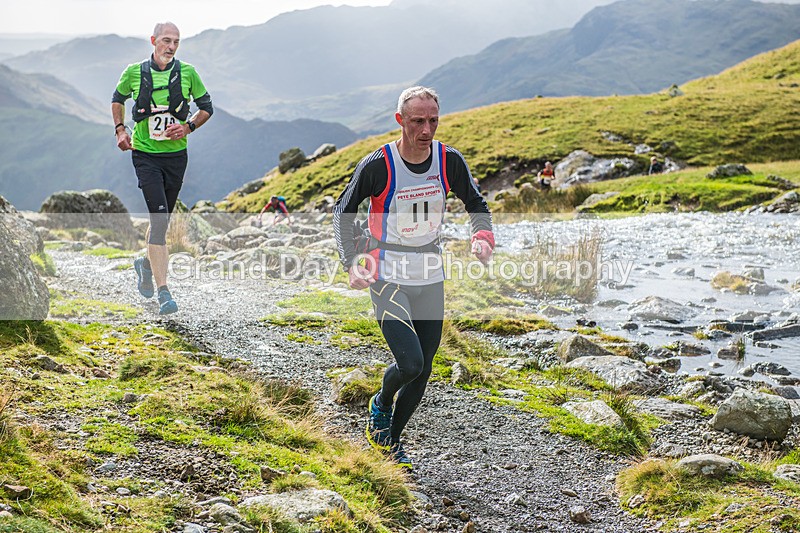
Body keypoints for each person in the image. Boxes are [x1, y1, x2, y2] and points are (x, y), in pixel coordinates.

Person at [333, 86, 494, 469]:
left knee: (424, 369)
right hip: (386, 270)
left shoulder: (448, 159)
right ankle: (380, 403)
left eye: (433, 120)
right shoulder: (378, 164)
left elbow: (476, 203)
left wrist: (483, 235)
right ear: (400, 120)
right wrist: (353, 261)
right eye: (418, 121)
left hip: (429, 272)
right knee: (409, 364)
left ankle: (391, 441)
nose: (426, 129)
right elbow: (343, 210)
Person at [112, 22, 213, 315]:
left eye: (176, 42)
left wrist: (188, 127)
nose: (171, 47)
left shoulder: (188, 73)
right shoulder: (133, 72)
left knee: (163, 221)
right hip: (145, 155)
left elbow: (207, 107)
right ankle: (164, 292)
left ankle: (144, 264)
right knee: (158, 220)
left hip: (176, 158)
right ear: (154, 41)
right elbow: (117, 99)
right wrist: (120, 130)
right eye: (166, 40)